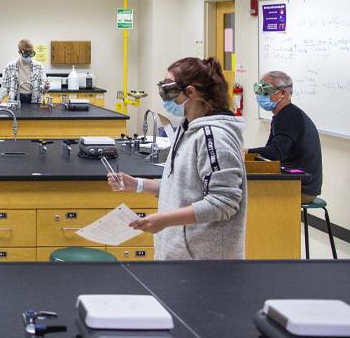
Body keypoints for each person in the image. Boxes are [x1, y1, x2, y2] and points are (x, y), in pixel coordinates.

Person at [107, 57, 247, 260]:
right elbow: (183, 190)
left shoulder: (215, 136)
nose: (165, 97)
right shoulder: (187, 128)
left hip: (204, 261)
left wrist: (164, 220)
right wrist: (137, 184)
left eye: (168, 89)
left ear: (190, 92)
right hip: (180, 255)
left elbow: (223, 203)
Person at [248, 71, 322, 204]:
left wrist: (246, 152)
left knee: (248, 192)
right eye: (258, 90)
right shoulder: (283, 115)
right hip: (298, 182)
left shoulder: (288, 117)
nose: (260, 95)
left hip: (301, 187)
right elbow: (270, 150)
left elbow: (275, 153)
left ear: (282, 93)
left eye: (265, 91)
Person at [0, 39, 46, 105]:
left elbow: (43, 88)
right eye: (26, 54)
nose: (29, 56)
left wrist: (45, 87)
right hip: (16, 99)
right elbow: (5, 87)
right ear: (19, 52)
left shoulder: (39, 67)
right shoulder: (10, 67)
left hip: (34, 100)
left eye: (31, 54)